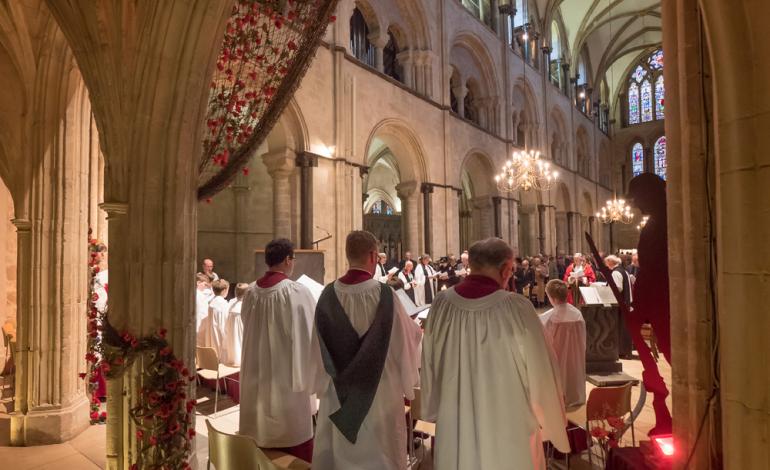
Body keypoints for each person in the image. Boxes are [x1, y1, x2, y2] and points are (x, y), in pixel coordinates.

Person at [421, 238, 569, 470]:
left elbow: (428, 361)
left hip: (456, 421)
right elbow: (542, 371)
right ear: (505, 269)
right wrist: (550, 421)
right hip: (509, 424)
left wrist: (432, 407)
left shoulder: (441, 304)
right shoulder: (517, 307)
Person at [311, 231, 422, 470]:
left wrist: (320, 384)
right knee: (381, 453)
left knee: (340, 451)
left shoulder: (327, 295)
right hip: (380, 390)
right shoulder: (385, 295)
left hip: (339, 391)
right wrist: (417, 332)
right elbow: (406, 339)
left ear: (347, 255)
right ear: (373, 255)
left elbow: (317, 346)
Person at [239, 239, 317, 462]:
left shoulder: (251, 292)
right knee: (290, 437)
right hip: (285, 379)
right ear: (287, 260)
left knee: (259, 431)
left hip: (255, 374)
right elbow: (309, 336)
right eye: (292, 260)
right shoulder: (295, 292)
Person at [540, 279, 587, 411]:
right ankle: (575, 396)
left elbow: (541, 340)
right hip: (575, 356)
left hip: (556, 356)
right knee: (573, 371)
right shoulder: (577, 314)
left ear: (552, 298)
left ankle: (558, 398)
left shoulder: (550, 317)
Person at [605, 255, 633, 358]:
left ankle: (621, 351)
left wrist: (606, 290)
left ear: (610, 262)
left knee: (621, 327)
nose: (606, 266)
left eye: (607, 263)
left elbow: (617, 288)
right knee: (624, 328)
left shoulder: (616, 272)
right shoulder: (623, 270)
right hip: (626, 302)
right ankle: (625, 351)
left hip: (620, 304)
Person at [198, 279, 229, 358]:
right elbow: (225, 325)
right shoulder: (223, 305)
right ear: (225, 290)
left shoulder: (211, 303)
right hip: (220, 337)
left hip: (210, 335)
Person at [222, 282, 248, 367]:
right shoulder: (246, 304)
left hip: (231, 331)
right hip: (242, 329)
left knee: (234, 342)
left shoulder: (231, 301)